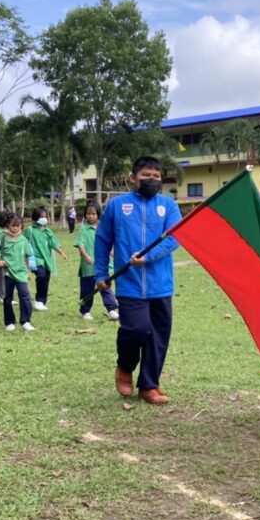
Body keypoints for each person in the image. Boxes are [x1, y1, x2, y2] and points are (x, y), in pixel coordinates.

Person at [95, 156, 181, 406]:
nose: (152, 180)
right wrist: (101, 273)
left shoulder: (168, 206)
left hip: (160, 284)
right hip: (129, 283)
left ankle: (149, 385)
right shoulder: (117, 205)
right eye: (146, 176)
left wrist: (148, 256)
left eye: (156, 176)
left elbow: (174, 238)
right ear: (133, 178)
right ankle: (125, 366)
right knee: (136, 329)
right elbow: (103, 240)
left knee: (158, 336)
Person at [0, 213, 35, 332]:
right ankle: (9, 322)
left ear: (21, 226)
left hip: (21, 273)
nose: (15, 228)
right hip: (7, 273)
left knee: (25, 296)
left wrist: (28, 271)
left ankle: (26, 321)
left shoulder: (24, 240)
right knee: (7, 298)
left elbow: (28, 256)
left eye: (18, 226)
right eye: (13, 226)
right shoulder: (2, 239)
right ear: (7, 225)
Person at [75, 203, 119, 321]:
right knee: (87, 290)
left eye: (93, 214)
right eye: (88, 214)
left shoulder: (103, 228)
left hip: (102, 265)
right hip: (88, 267)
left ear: (98, 214)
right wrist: (86, 256)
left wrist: (112, 251)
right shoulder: (84, 229)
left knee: (105, 286)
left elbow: (109, 242)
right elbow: (80, 244)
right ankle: (85, 311)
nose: (90, 216)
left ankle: (111, 309)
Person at [24, 206, 69, 310]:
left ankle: (42, 301)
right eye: (41, 217)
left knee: (46, 279)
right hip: (36, 260)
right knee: (42, 276)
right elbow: (24, 243)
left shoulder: (48, 232)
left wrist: (62, 253)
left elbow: (54, 244)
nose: (44, 219)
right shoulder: (30, 230)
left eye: (45, 216)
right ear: (35, 218)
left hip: (46, 260)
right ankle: (39, 300)